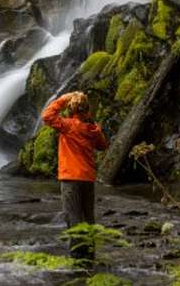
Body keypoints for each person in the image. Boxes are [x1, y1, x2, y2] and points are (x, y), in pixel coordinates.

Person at [42, 91, 108, 261]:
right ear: (87, 110)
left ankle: (78, 257)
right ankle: (90, 255)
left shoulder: (68, 125)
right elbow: (102, 145)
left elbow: (47, 116)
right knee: (88, 216)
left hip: (71, 178)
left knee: (73, 216)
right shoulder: (93, 129)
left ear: (71, 108)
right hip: (87, 178)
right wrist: (95, 127)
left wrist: (63, 99)